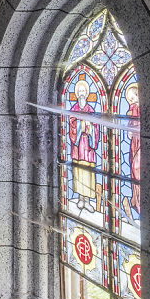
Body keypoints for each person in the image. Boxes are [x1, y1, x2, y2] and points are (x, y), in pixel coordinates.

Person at [69, 79, 101, 212]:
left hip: (88, 148)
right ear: (76, 94)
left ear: (87, 94)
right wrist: (79, 125)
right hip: (77, 147)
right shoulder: (74, 109)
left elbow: (96, 126)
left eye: (83, 91)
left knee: (88, 173)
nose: (81, 94)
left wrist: (89, 127)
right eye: (79, 91)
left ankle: (87, 200)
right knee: (78, 172)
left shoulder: (90, 109)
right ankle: (81, 199)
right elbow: (71, 123)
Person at [121, 83, 141, 223]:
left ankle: (140, 202)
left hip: (141, 142)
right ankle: (136, 200)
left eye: (134, 97)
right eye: (131, 98)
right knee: (134, 170)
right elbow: (131, 125)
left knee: (138, 169)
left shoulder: (140, 109)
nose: (132, 100)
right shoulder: (132, 109)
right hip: (134, 143)